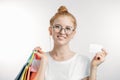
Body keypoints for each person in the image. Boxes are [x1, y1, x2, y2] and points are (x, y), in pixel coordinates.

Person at [30, 5, 107, 80]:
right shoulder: (39, 59)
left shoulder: (83, 61)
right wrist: (43, 62)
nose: (62, 32)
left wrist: (94, 67)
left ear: (73, 34)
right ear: (50, 31)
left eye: (68, 28)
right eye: (57, 26)